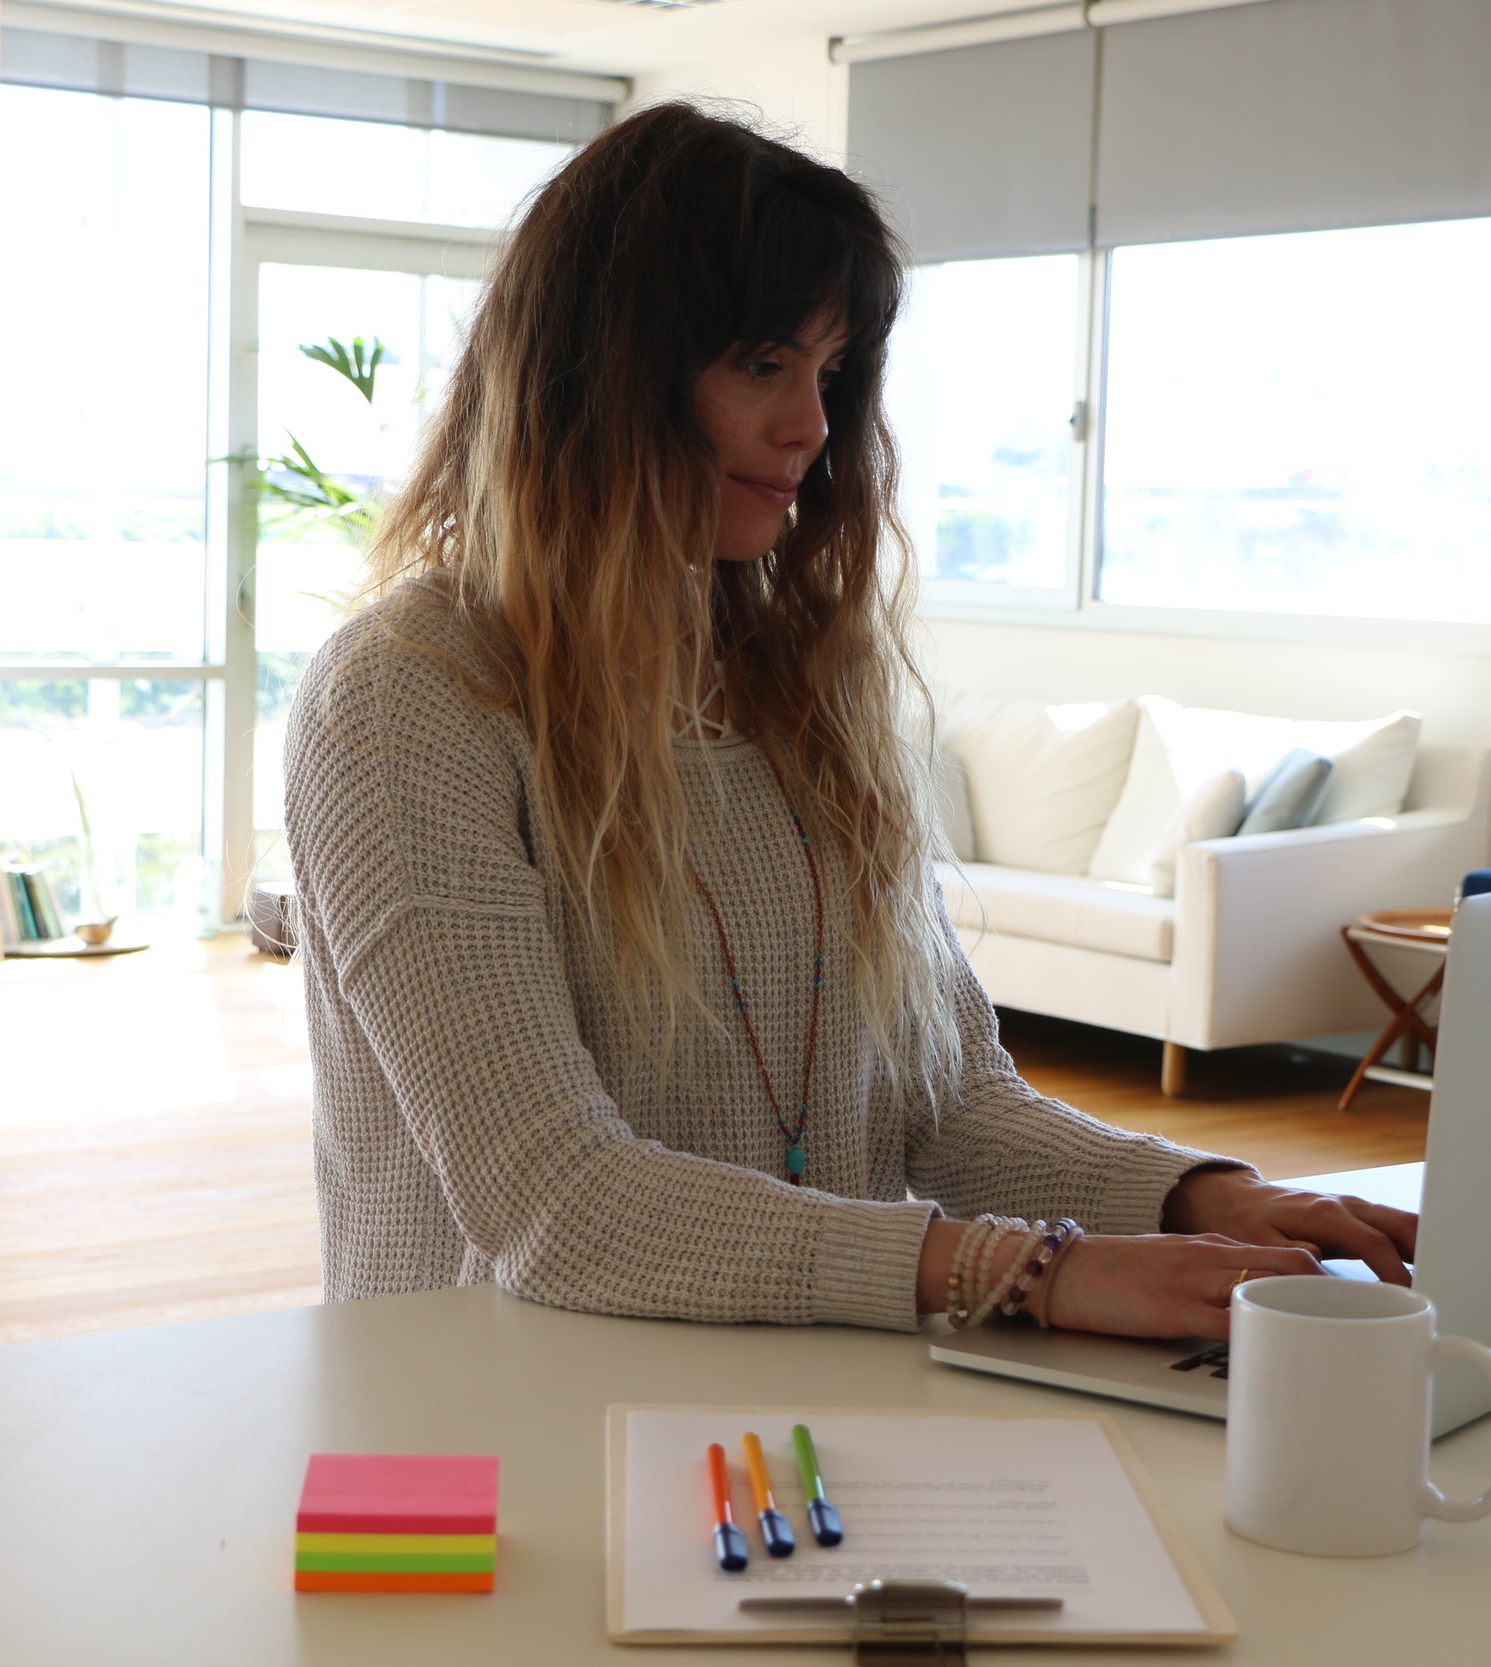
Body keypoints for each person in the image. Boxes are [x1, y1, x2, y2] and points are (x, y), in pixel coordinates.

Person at [283, 102, 1415, 1342]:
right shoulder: (404, 693)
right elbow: (557, 1201)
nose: (812, 428)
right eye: (761, 362)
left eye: (830, 374)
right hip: (500, 1413)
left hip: (804, 1403)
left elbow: (942, 1101)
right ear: (600, 372)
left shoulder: (798, 690)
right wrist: (1030, 1270)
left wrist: (1205, 1195)